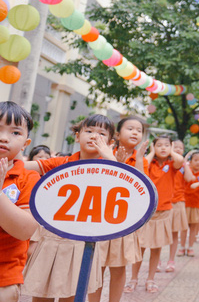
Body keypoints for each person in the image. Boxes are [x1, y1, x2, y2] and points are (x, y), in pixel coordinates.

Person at [23, 115, 117, 302]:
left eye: (101, 133)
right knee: (42, 293)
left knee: (73, 295)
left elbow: (124, 186)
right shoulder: (61, 163)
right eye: (88, 131)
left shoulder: (110, 167)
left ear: (110, 141)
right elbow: (23, 167)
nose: (93, 136)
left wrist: (110, 158)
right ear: (77, 136)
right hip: (52, 236)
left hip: (82, 241)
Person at [91, 116, 149, 302]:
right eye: (130, 128)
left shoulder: (141, 160)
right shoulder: (103, 151)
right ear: (117, 133)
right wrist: (115, 161)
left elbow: (142, 189)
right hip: (99, 218)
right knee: (96, 267)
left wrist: (138, 158)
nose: (135, 132)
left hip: (123, 220)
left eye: (139, 130)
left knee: (119, 267)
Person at [126, 135, 187, 294]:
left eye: (166, 145)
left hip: (164, 211)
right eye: (159, 145)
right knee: (141, 247)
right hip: (147, 212)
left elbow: (180, 160)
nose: (163, 148)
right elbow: (142, 165)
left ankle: (150, 279)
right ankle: (134, 278)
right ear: (153, 148)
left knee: (156, 248)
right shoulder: (149, 163)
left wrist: (172, 151)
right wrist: (152, 152)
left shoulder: (172, 164)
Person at [0, 102, 39, 302]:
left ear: (26, 143)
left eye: (15, 132)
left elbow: (24, 230)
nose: (3, 138)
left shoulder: (28, 179)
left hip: (3, 280)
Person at [168, 147, 190, 269]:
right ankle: (158, 260)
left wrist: (185, 163)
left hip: (178, 202)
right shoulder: (165, 162)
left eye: (180, 148)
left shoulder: (182, 166)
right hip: (164, 202)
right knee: (160, 235)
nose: (177, 149)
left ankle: (171, 260)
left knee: (174, 233)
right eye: (174, 147)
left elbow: (189, 178)